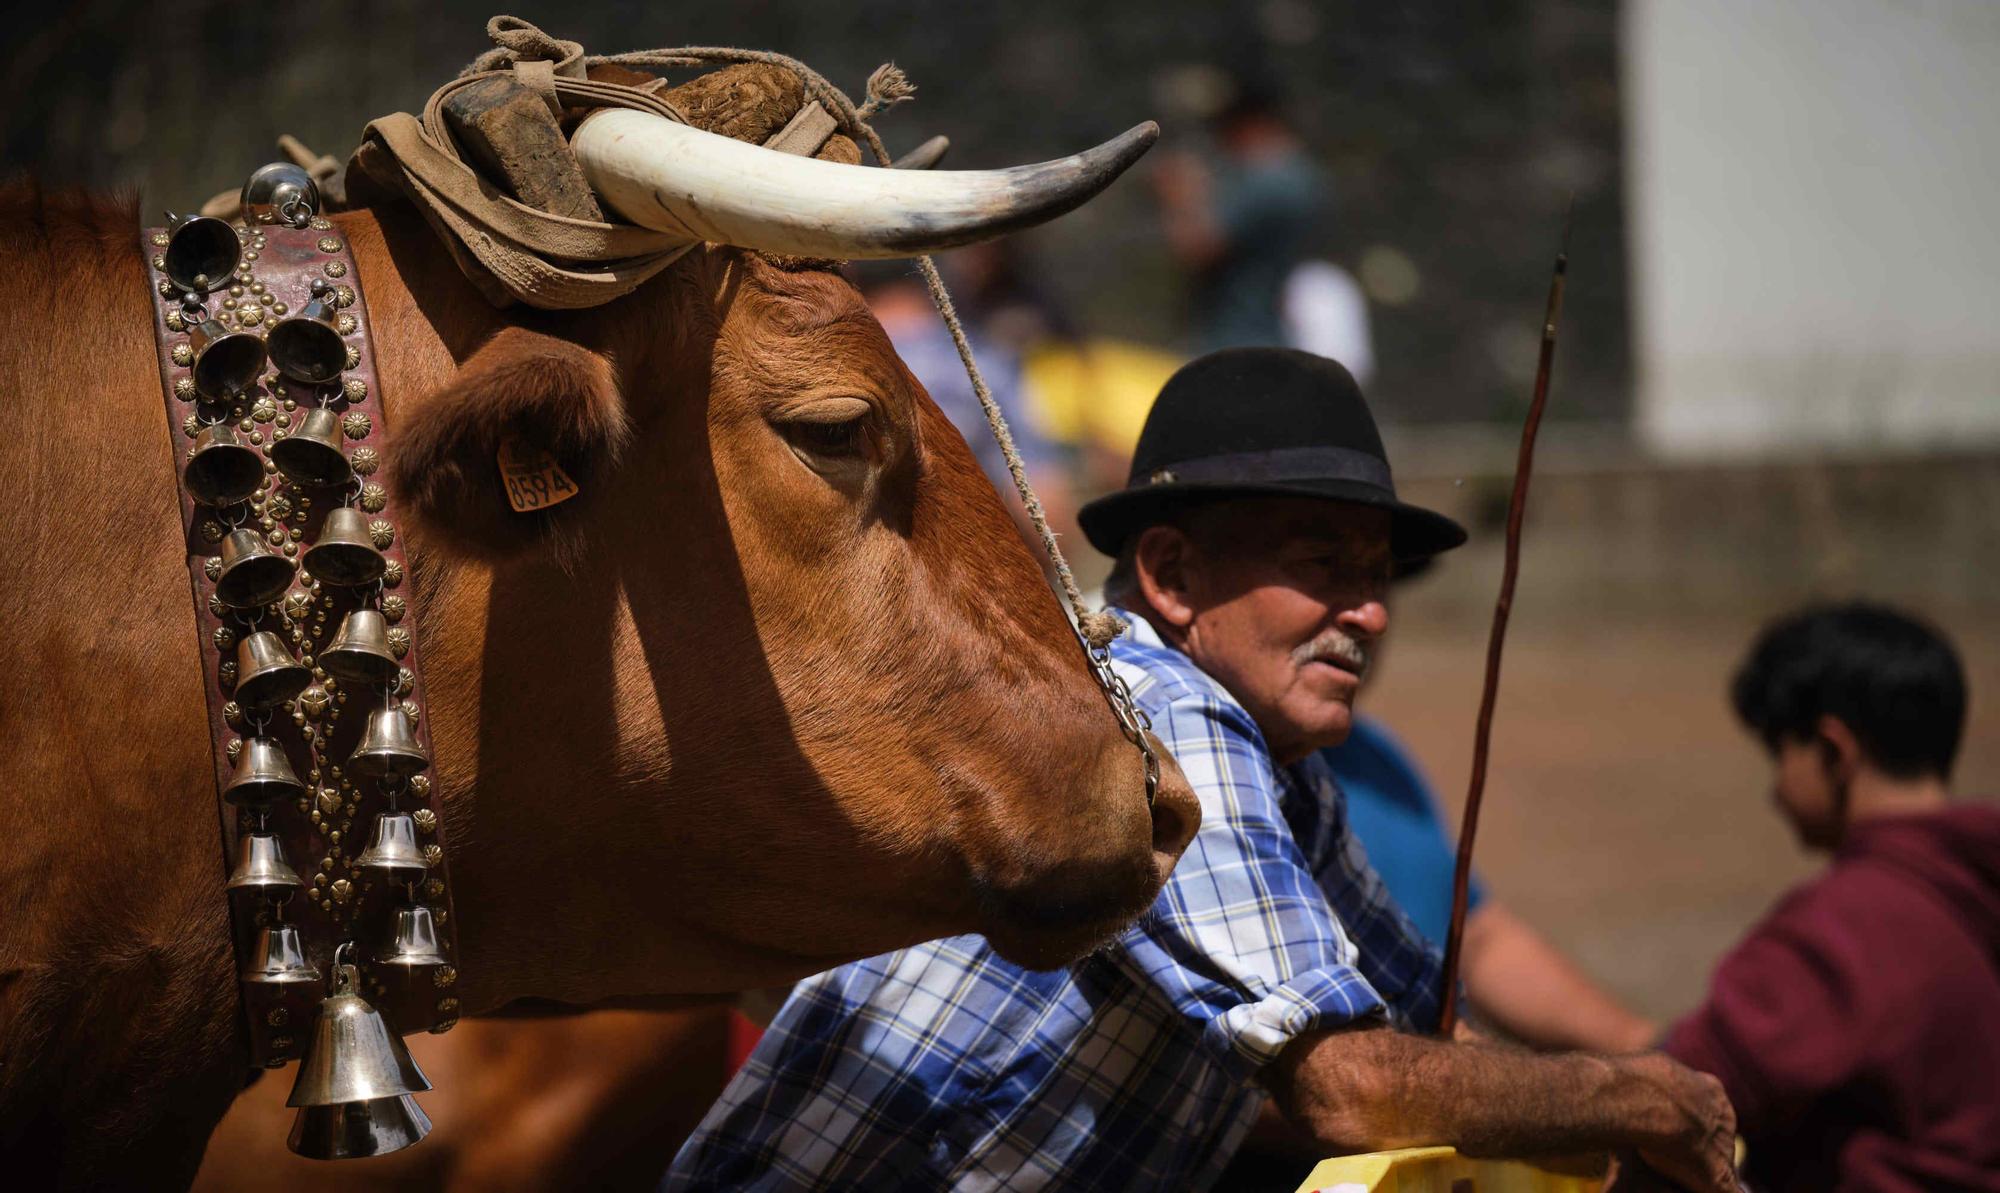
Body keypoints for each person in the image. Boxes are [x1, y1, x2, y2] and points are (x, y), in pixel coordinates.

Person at [666, 348, 1737, 1192]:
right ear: (1171, 575)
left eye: (1375, 576)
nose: (1365, 611)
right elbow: (1351, 1084)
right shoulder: (1153, 720)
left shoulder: (1291, 774)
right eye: (1322, 564)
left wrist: (1583, 1137)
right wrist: (1633, 1098)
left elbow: (1423, 1020)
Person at [1662, 604, 2000, 1192]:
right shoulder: (1971, 882)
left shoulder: (1849, 924)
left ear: (1833, 750)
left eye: (1778, 753)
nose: (1775, 788)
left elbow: (1686, 1086)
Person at [1154, 81, 1327, 352]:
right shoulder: (1298, 175)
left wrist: (1182, 197)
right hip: (1255, 336)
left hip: (1237, 341)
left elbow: (1198, 247)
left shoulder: (1270, 180)